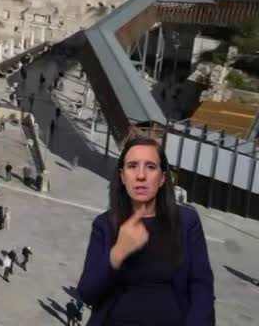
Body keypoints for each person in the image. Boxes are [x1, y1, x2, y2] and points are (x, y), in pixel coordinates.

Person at [76, 137, 214, 326]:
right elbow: (87, 293)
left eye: (150, 166)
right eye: (132, 166)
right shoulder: (104, 224)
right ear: (123, 177)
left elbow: (202, 287)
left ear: (162, 178)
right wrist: (118, 253)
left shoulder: (187, 222)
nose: (141, 175)